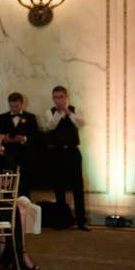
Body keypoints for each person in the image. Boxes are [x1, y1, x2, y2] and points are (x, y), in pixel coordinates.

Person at [44, 85, 88, 230]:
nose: (58, 100)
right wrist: (59, 113)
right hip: (56, 154)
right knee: (59, 187)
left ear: (66, 97)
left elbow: (80, 123)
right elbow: (50, 126)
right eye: (56, 97)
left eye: (61, 97)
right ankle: (62, 220)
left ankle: (81, 221)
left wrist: (68, 112)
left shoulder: (76, 110)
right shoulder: (49, 112)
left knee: (77, 187)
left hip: (72, 152)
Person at [0, 92, 39, 189]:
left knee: (24, 183)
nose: (14, 109)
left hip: (25, 155)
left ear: (22, 104)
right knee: (7, 185)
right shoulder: (2, 118)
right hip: (7, 156)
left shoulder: (30, 117)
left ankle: (24, 201)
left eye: (17, 106)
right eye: (12, 106)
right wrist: (4, 138)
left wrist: (24, 138)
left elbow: (35, 136)